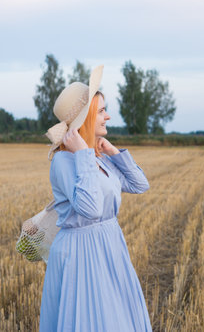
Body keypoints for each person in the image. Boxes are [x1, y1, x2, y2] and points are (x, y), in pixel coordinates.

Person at [39, 65, 152, 332]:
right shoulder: (65, 162)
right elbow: (89, 208)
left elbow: (139, 184)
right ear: (86, 117)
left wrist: (114, 152)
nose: (108, 116)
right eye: (101, 111)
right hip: (81, 254)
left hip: (110, 246)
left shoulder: (99, 156)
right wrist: (83, 155)